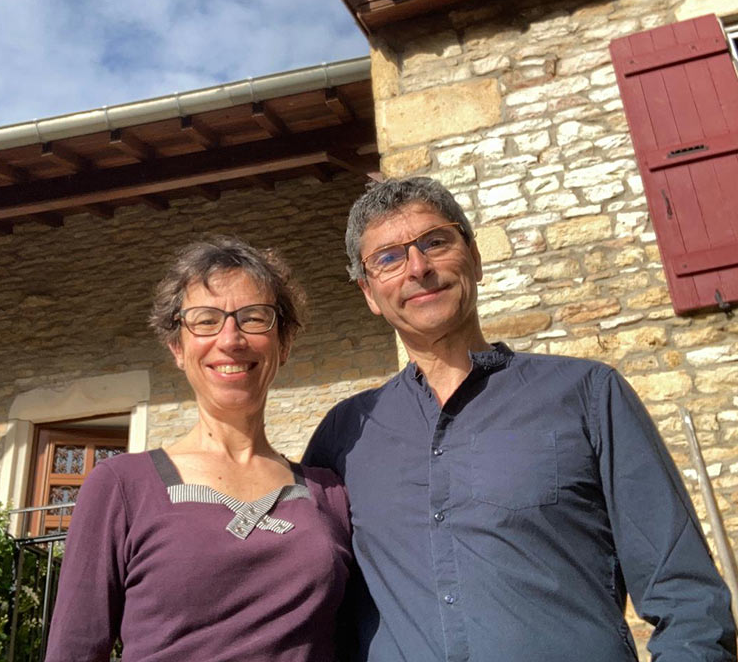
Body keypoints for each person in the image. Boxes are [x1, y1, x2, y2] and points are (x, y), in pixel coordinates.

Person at [304, 176, 736, 661]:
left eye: (435, 242)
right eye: (388, 258)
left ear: (476, 257)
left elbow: (687, 600)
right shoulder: (344, 436)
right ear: (368, 293)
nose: (418, 268)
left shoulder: (587, 395)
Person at [45, 237, 352, 662]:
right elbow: (73, 652)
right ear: (177, 347)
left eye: (254, 318)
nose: (231, 338)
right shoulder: (121, 488)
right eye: (206, 320)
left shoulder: (330, 494)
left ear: (284, 344)